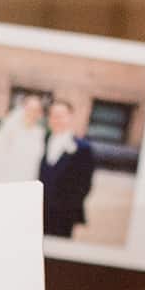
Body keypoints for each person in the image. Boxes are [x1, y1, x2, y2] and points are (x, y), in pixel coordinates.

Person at [39, 95, 99, 240]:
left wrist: (64, 209)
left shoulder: (83, 148)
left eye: (61, 116)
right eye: (53, 116)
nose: (56, 120)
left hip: (63, 217)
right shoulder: (41, 140)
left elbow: (85, 185)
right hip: (37, 212)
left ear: (70, 117)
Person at [0, 90, 47, 185]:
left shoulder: (40, 134)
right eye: (29, 108)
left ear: (40, 113)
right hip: (5, 179)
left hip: (27, 179)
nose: (32, 113)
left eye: (36, 110)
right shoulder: (10, 130)